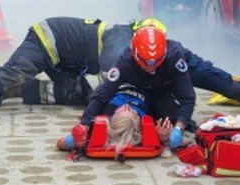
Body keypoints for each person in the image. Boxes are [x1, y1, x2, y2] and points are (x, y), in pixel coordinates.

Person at [0, 16, 240, 113]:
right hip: (47, 38)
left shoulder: (165, 49)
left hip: (67, 62)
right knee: (17, 71)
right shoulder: (121, 48)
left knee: (77, 94)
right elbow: (115, 91)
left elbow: (204, 72)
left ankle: (17, 91)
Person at [68, 23, 197, 154]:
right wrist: (172, 134)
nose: (150, 66)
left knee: (94, 98)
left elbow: (188, 96)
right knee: (168, 117)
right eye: (147, 62)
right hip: (140, 90)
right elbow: (104, 92)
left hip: (153, 85)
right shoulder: (125, 60)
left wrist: (179, 128)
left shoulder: (174, 55)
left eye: (154, 62)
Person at [55, 83, 178, 155]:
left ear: (112, 118)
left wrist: (77, 139)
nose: (127, 106)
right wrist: (165, 138)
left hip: (112, 85)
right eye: (132, 112)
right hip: (145, 84)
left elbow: (60, 143)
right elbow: (186, 141)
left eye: (122, 111)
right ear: (138, 122)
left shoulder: (106, 114)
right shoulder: (146, 123)